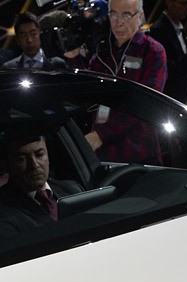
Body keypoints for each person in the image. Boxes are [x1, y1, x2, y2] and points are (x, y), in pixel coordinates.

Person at [73, 0, 168, 163]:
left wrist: (101, 135)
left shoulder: (152, 51)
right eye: (113, 14)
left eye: (126, 15)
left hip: (138, 154)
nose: (118, 22)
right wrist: (73, 59)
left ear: (140, 16)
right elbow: (85, 97)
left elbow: (144, 105)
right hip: (102, 155)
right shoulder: (103, 53)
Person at [0, 134, 81, 239]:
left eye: (39, 155)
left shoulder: (73, 188)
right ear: (7, 165)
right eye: (21, 159)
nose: (34, 165)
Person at [149, 0, 187, 106]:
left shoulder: (177, 25)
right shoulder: (159, 29)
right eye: (183, 3)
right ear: (169, 3)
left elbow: (180, 55)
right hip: (174, 99)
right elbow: (165, 69)